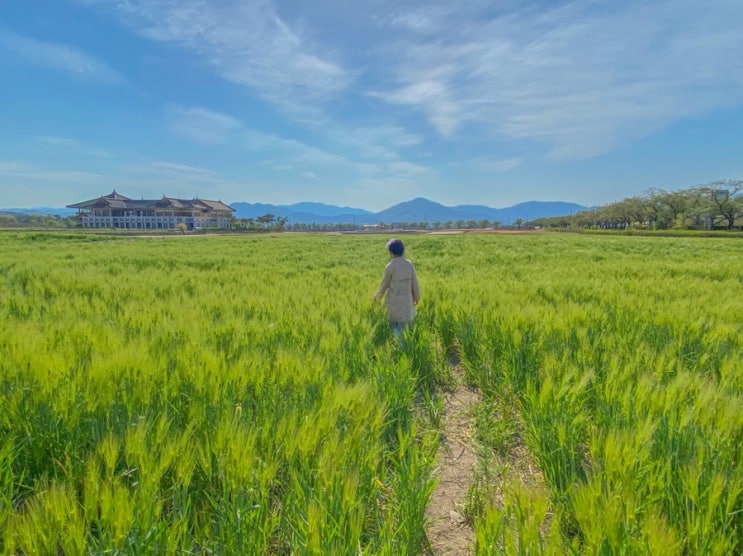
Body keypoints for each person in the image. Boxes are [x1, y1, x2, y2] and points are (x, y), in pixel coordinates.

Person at [374, 238, 421, 342]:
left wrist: (377, 298)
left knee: (395, 328)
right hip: (407, 303)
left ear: (391, 252)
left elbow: (383, 286)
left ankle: (399, 348)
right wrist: (417, 297)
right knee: (407, 328)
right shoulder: (409, 264)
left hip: (394, 304)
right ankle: (407, 348)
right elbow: (415, 283)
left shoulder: (390, 266)